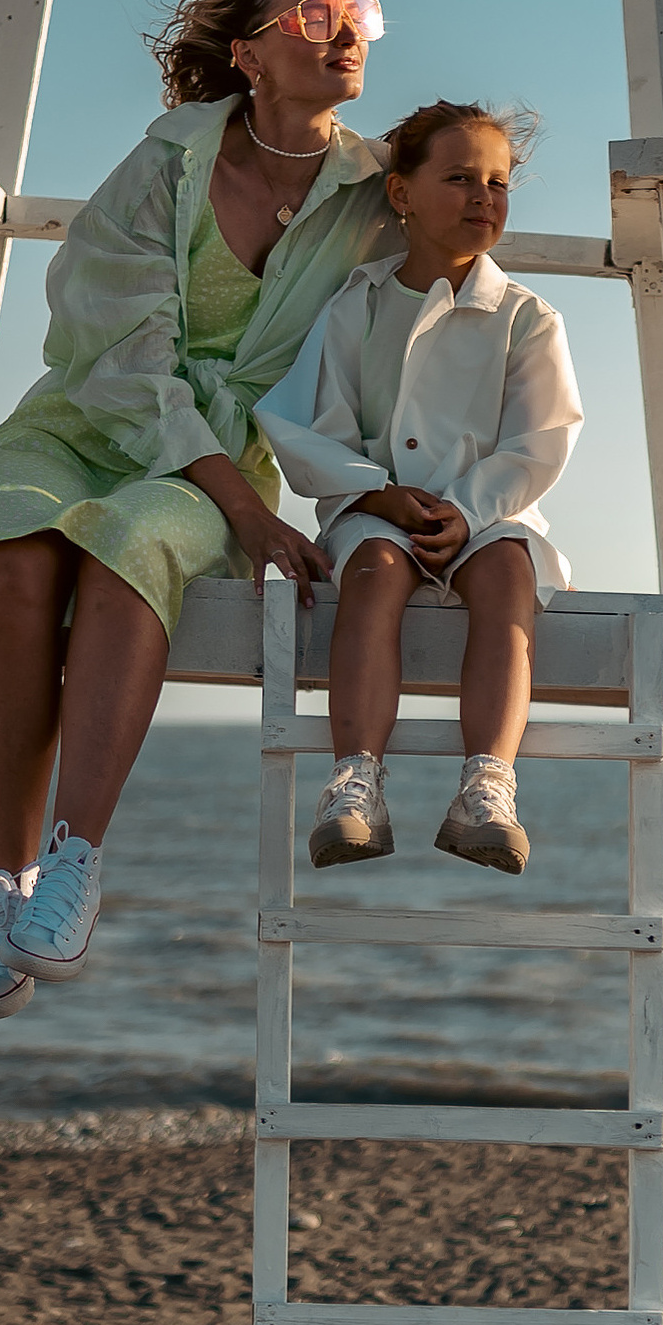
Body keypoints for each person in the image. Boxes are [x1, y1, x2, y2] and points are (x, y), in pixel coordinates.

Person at [0, 0, 400, 1024]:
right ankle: (5, 888)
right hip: (88, 421)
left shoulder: (375, 189)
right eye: (313, 17)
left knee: (131, 544)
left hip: (218, 457)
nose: (347, 30)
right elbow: (122, 357)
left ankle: (76, 857)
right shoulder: (167, 165)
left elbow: (469, 205)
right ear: (251, 55)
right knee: (16, 547)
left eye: (356, 11)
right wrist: (242, 509)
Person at [255, 100, 582, 879]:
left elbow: (544, 436)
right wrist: (377, 494)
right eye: (460, 177)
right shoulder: (356, 306)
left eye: (499, 182)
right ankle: (355, 782)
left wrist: (469, 511)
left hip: (491, 512)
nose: (483, 196)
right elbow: (307, 421)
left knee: (509, 575)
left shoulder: (527, 318)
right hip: (376, 511)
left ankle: (487, 786)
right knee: (371, 571)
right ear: (400, 193)